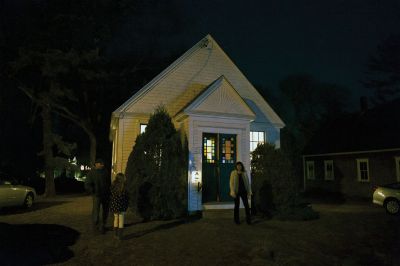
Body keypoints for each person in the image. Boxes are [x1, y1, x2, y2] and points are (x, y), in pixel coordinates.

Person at [85, 158, 111, 234]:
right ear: (96, 164)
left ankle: (102, 226)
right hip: (97, 195)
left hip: (105, 194)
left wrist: (109, 191)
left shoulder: (105, 172)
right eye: (101, 163)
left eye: (103, 164)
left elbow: (108, 182)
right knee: (96, 211)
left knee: (105, 210)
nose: (102, 165)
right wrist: (93, 191)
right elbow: (87, 184)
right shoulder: (91, 173)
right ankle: (95, 227)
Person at [110, 173, 129, 240]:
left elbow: (111, 196)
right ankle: (120, 236)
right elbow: (127, 197)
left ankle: (115, 234)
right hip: (122, 206)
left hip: (115, 205)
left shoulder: (113, 185)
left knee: (115, 219)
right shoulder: (124, 186)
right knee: (121, 220)